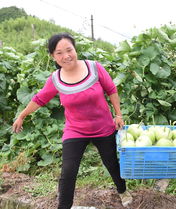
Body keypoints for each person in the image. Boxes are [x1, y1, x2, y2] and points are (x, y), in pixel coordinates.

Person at [12, 33, 133, 209]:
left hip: (103, 127)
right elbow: (39, 99)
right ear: (53, 56)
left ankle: (122, 190)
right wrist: (22, 115)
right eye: (59, 53)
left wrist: (118, 114)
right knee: (68, 171)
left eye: (69, 50)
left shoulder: (94, 67)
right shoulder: (55, 79)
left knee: (111, 164)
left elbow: (111, 89)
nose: (66, 56)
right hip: (75, 130)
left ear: (75, 49)